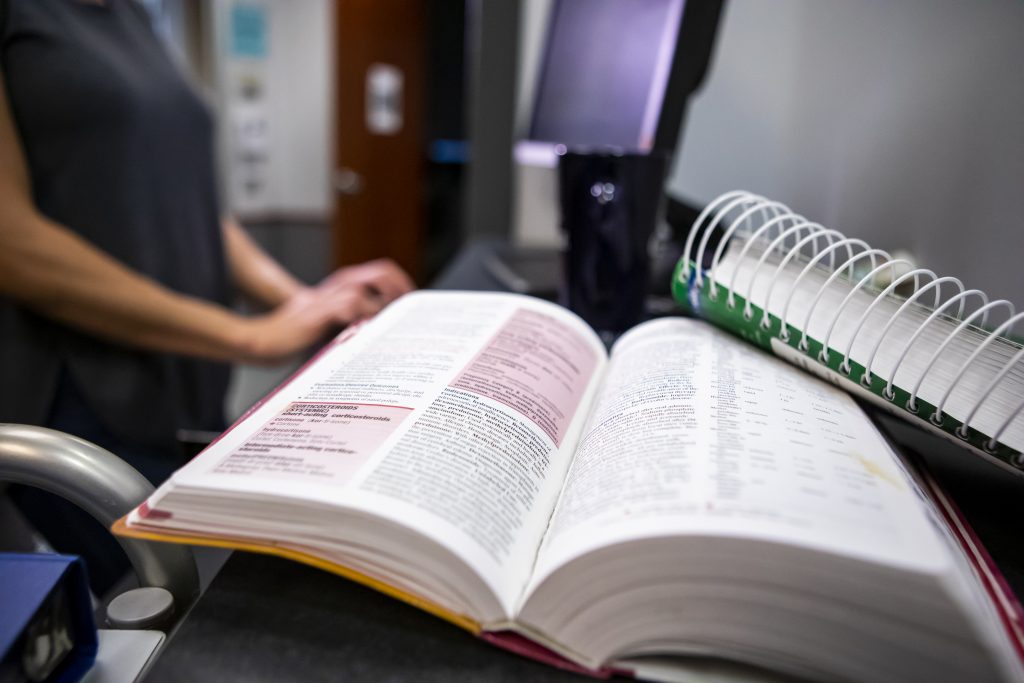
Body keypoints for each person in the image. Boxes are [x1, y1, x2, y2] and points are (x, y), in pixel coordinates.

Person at [0, 0, 413, 590]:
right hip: (82, 394)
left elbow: (194, 206)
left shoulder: (132, 17)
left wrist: (299, 299)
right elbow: (10, 243)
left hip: (182, 380)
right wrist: (248, 335)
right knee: (176, 607)